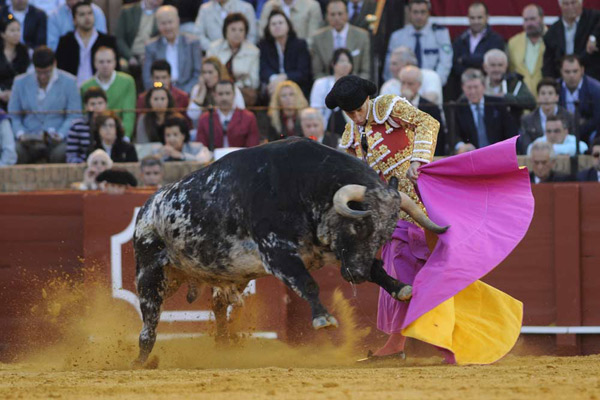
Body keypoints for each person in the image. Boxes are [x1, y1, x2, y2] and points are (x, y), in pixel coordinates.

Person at [326, 74, 529, 366]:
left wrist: (417, 160)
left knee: (420, 271)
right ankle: (423, 343)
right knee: (406, 268)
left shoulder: (390, 106)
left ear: (367, 100)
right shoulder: (350, 137)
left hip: (423, 202)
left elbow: (428, 122)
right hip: (391, 212)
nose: (356, 117)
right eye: (350, 113)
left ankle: (426, 344)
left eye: (359, 109)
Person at [8, 46, 81, 163]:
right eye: (39, 72)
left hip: (57, 140)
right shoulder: (20, 82)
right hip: (28, 139)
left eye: (47, 72)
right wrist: (21, 134)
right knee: (13, 151)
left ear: (54, 64)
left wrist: (61, 134)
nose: (42, 77)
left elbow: (74, 115)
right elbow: (13, 115)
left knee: (63, 153)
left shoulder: (70, 82)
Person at [384, 0, 452, 85]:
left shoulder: (440, 34)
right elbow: (389, 67)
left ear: (428, 13)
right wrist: (397, 85)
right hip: (403, 85)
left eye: (423, 12)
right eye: (415, 12)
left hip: (430, 85)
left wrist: (434, 84)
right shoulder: (397, 37)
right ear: (409, 13)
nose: (419, 16)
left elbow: (445, 63)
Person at [55, 0, 118, 86]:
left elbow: (116, 70)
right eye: (82, 14)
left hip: (101, 88)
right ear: (74, 20)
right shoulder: (65, 42)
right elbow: (60, 71)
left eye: (90, 13)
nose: (87, 18)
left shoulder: (108, 41)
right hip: (73, 88)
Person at [455, 68, 517, 153]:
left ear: (483, 86)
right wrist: (462, 146)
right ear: (463, 88)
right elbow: (454, 136)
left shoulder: (497, 104)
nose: (473, 91)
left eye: (476, 87)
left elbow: (510, 131)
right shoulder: (458, 108)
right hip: (471, 156)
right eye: (469, 88)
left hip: (497, 154)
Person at [80, 47, 136, 138]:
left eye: (109, 61)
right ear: (95, 63)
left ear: (115, 62)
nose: (105, 65)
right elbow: (85, 115)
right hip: (93, 137)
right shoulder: (85, 86)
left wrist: (125, 137)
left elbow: (129, 113)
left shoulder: (127, 82)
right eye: (101, 62)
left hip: (119, 135)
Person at [143, 5, 201, 93]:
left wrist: (183, 93)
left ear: (177, 21)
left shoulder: (192, 43)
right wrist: (161, 89)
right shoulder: (151, 46)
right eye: (163, 23)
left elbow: (198, 74)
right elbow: (148, 79)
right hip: (160, 92)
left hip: (187, 92)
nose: (167, 27)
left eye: (170, 22)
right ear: (158, 25)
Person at [206, 13, 260, 106]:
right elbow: (208, 73)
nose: (237, 33)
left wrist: (234, 88)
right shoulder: (214, 48)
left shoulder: (253, 51)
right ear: (225, 30)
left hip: (242, 90)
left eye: (241, 30)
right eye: (233, 29)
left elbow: (254, 81)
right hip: (217, 89)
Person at [309, 0, 370, 80]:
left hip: (356, 84)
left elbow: (366, 71)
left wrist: (355, 84)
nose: (336, 18)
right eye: (332, 14)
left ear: (347, 15)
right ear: (327, 16)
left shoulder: (362, 36)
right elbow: (318, 72)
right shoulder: (318, 38)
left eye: (340, 14)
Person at [258, 9, 312, 97]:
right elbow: (263, 69)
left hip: (296, 85)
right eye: (273, 24)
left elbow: (303, 73)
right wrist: (275, 79)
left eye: (280, 23)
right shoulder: (263, 46)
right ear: (268, 28)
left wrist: (284, 77)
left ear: (288, 25)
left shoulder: (300, 44)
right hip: (273, 86)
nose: (277, 26)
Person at [542, 0, 600, 81]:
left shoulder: (594, 19)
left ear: (581, 3)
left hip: (592, 80)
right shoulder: (552, 32)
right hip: (564, 84)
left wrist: (593, 37)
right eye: (566, 4)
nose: (570, 7)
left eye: (573, 3)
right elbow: (549, 66)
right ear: (560, 6)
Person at [196, 79, 260, 149]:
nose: (224, 98)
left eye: (228, 93)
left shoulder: (248, 118)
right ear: (214, 96)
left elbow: (253, 148)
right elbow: (201, 149)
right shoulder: (204, 119)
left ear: (234, 95)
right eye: (220, 94)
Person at [520, 77, 575, 154]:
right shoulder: (527, 119)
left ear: (557, 97)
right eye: (543, 93)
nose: (546, 97)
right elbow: (526, 148)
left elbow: (574, 143)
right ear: (538, 97)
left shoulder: (568, 117)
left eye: (550, 93)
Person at [399, 65, 446, 155]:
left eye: (410, 84)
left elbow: (439, 138)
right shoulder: (392, 105)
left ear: (419, 85)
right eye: (403, 83)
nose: (405, 87)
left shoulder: (430, 107)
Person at [451, 2, 505, 80]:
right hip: (463, 85)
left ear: (487, 17)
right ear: (468, 18)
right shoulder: (460, 39)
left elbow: (492, 63)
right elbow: (454, 63)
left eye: (479, 18)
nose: (476, 21)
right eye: (472, 18)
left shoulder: (496, 39)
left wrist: (464, 59)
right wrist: (468, 74)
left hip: (488, 84)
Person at [482, 49, 536, 120]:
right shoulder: (478, 84)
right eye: (493, 65)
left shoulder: (514, 83)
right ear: (485, 67)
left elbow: (531, 102)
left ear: (506, 66)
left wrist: (506, 98)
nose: (497, 69)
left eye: (500, 65)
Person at [187, 56, 245, 123]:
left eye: (210, 72)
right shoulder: (197, 89)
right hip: (204, 129)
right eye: (204, 72)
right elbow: (192, 115)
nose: (206, 76)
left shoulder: (231, 88)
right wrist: (202, 93)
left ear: (219, 73)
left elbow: (241, 112)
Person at [309, 48, 353, 135]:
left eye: (348, 62)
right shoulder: (320, 83)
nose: (345, 65)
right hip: (325, 128)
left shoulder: (356, 85)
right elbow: (316, 109)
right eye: (342, 61)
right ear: (333, 64)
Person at [558, 55, 600, 144]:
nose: (571, 75)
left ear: (582, 70)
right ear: (561, 71)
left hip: (588, 132)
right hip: (560, 131)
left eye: (575, 71)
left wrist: (577, 128)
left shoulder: (596, 89)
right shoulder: (555, 88)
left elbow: (597, 118)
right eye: (567, 72)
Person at [507, 4, 546, 96]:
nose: (529, 23)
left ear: (542, 18)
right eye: (526, 20)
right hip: (522, 100)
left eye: (532, 19)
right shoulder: (513, 43)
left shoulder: (553, 38)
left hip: (546, 98)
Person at [115, 0, 161, 71]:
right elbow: (119, 38)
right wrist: (129, 57)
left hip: (150, 55)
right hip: (130, 54)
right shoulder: (127, 11)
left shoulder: (162, 13)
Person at [66, 86, 107, 163]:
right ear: (86, 106)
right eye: (92, 104)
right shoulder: (77, 126)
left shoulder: (112, 123)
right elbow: (71, 155)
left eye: (100, 103)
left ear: (106, 104)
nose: (97, 107)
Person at [0, 15, 30, 110]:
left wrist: (14, 93)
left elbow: (26, 76)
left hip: (20, 94)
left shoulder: (24, 51)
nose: (16, 34)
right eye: (12, 30)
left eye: (18, 30)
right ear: (3, 34)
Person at [258, 0, 323, 41]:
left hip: (303, 53)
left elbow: (313, 38)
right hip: (273, 53)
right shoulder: (269, 5)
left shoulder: (312, 6)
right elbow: (262, 33)